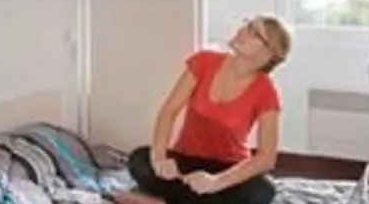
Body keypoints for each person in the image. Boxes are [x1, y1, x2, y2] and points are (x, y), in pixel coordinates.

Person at [119, 15, 291, 204]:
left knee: (263, 191)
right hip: (186, 159)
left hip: (228, 168)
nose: (243, 31)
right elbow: (169, 111)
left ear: (268, 53)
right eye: (247, 25)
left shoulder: (266, 91)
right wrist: (159, 158)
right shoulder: (204, 62)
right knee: (139, 160)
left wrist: (215, 182)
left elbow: (267, 158)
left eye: (254, 32)